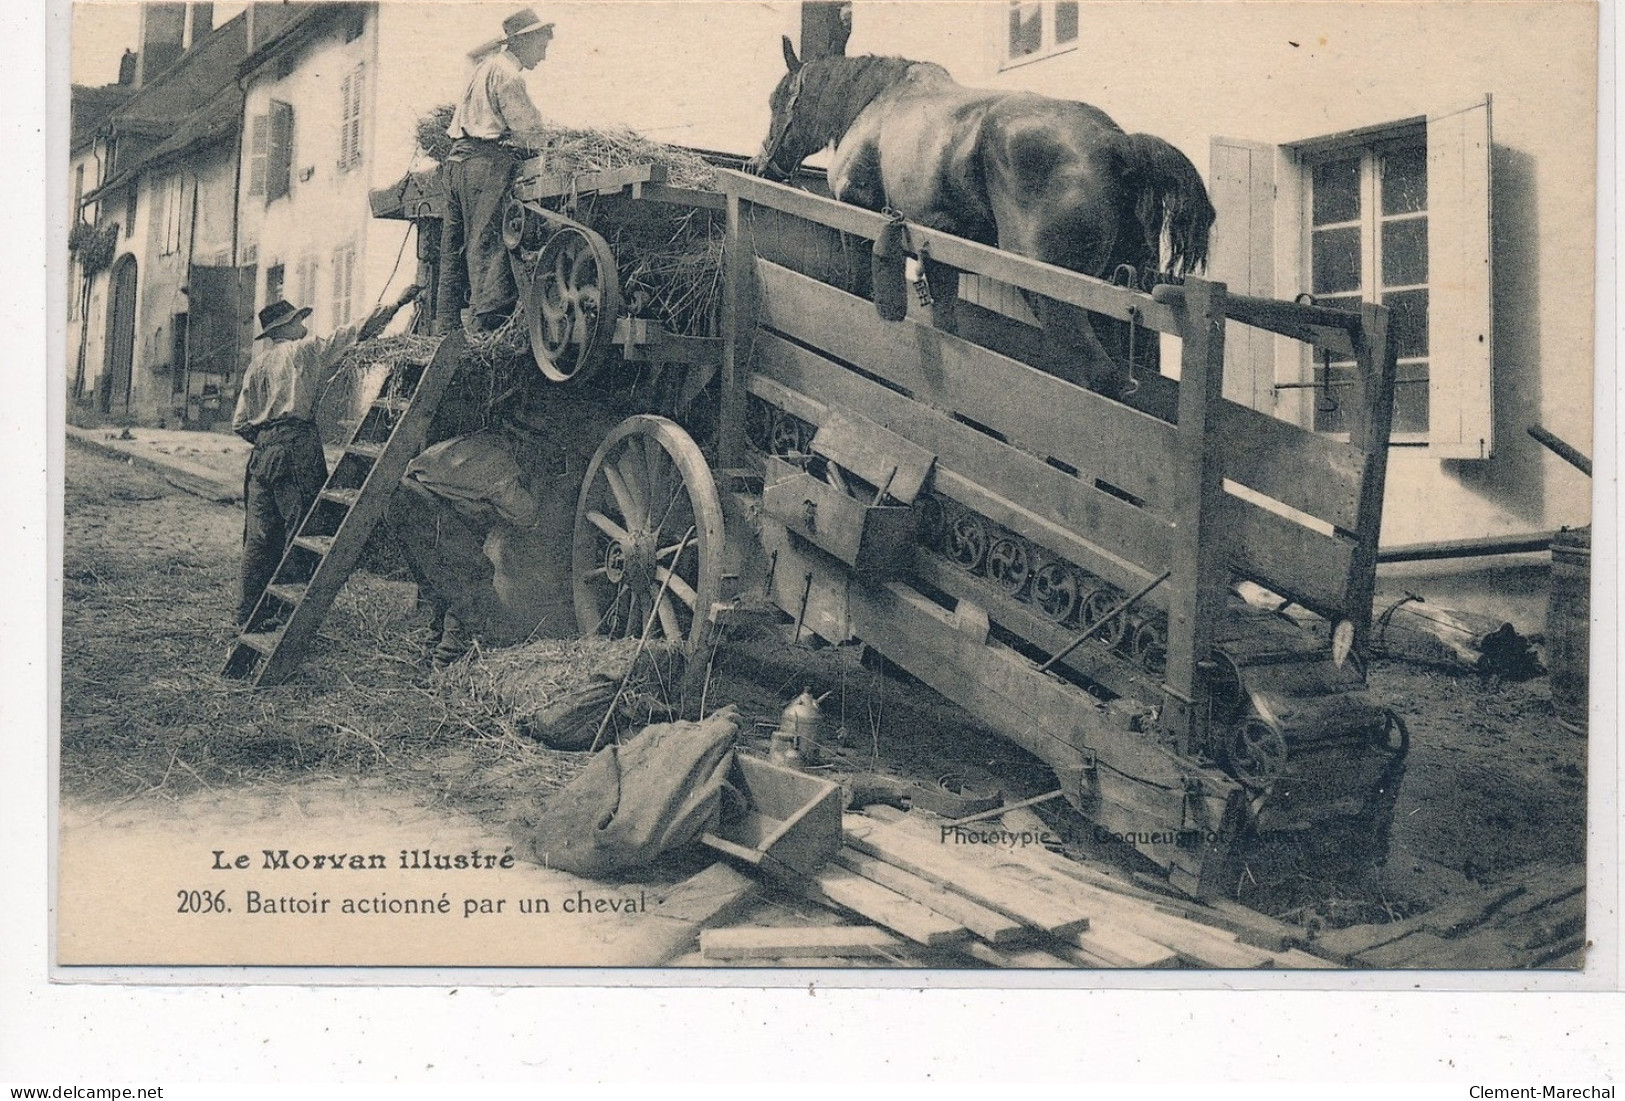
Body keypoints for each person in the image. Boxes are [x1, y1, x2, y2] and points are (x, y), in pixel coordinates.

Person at [232, 287, 419, 627]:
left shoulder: (256, 364)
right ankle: (289, 615)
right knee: (303, 529)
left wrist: (267, 440)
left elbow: (240, 423)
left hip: (261, 455)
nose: (303, 324)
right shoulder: (304, 351)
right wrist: (398, 303)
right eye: (297, 320)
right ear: (284, 329)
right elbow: (353, 331)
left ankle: (248, 615)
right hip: (295, 448)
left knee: (259, 538)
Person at [436, 7, 555, 334]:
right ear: (524, 41)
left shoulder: (484, 68)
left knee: (453, 249)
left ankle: (446, 330)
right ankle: (486, 330)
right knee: (487, 245)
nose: (543, 56)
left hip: (457, 163)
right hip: (484, 165)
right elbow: (531, 135)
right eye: (542, 47)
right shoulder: (508, 76)